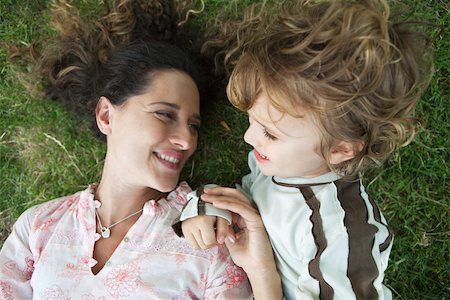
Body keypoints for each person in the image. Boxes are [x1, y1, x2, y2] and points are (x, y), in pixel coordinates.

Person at [180, 0, 434, 299]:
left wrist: (264, 275)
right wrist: (208, 208)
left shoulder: (341, 232)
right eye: (251, 122)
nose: (249, 138)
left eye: (270, 134)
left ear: (339, 150)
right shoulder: (279, 165)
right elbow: (242, 197)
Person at [0, 0, 252, 298]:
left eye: (193, 125)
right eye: (165, 114)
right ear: (107, 115)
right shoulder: (39, 226)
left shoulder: (208, 240)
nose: (186, 141)